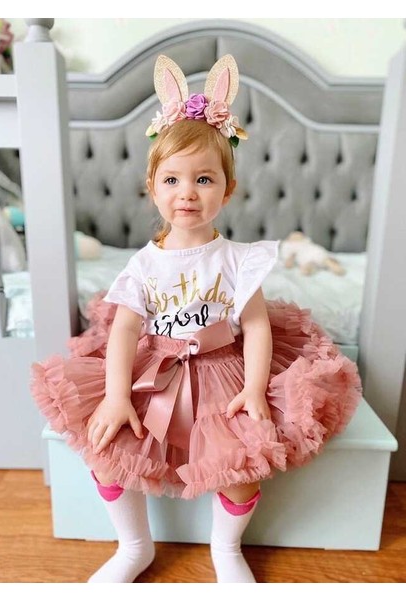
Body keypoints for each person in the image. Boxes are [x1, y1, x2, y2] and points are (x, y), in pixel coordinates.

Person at [31, 54, 362, 584]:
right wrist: (116, 395)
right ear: (153, 187)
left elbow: (256, 325)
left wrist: (254, 388)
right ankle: (134, 546)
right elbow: (125, 330)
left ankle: (226, 550)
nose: (187, 192)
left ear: (226, 190)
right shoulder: (143, 265)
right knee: (108, 450)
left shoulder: (237, 260)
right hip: (154, 370)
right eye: (172, 179)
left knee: (240, 463)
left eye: (204, 179)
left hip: (223, 368)